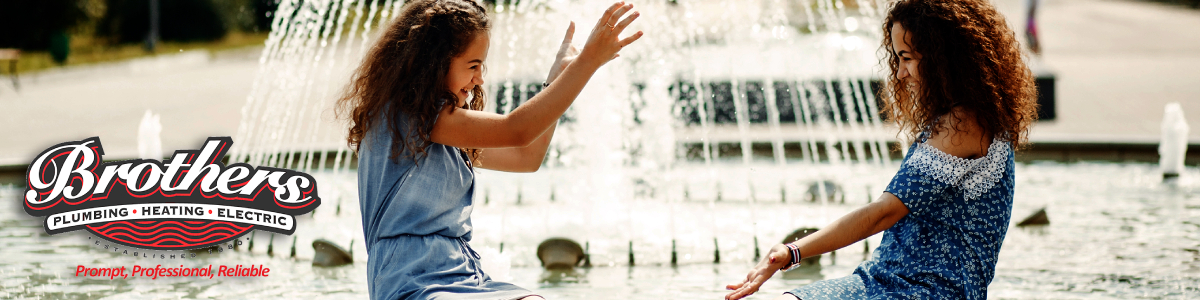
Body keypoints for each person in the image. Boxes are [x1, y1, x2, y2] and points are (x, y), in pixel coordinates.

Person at [724, 0, 1038, 299]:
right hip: (894, 279)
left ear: (944, 57)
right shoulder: (971, 116)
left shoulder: (964, 124)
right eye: (897, 58)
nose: (900, 73)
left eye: (907, 57)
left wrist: (792, 252)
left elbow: (883, 213)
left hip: (924, 289)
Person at [336, 0, 642, 299]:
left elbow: (526, 157)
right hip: (412, 281)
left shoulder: (442, 130)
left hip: (465, 274)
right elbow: (517, 130)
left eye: (482, 65)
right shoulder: (408, 116)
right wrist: (588, 61)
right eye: (473, 65)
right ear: (434, 62)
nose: (480, 78)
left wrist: (557, 80)